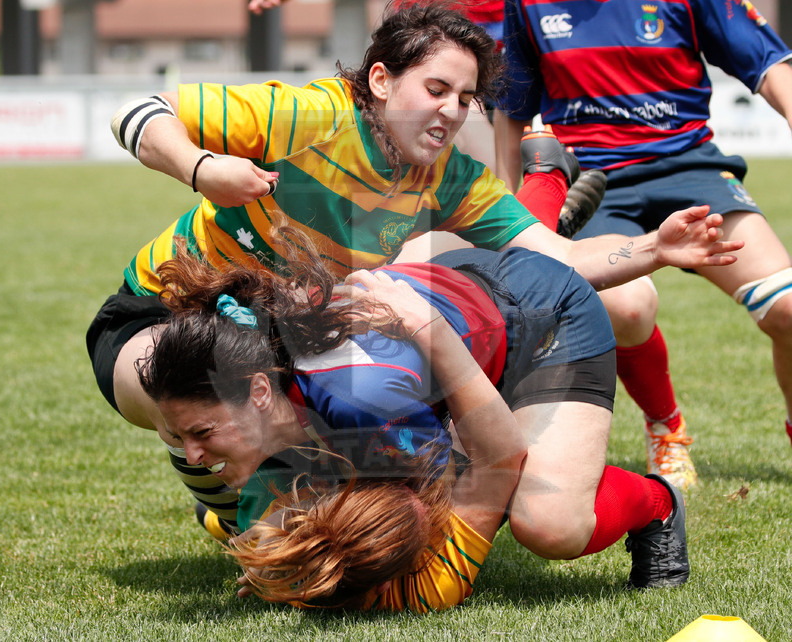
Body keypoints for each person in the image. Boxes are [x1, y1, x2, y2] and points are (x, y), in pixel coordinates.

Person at [88, 4, 740, 532]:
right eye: (435, 89)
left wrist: (657, 248)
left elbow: (561, 260)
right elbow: (136, 112)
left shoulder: (450, 179)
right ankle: (234, 504)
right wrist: (203, 168)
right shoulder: (308, 116)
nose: (452, 110)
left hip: (286, 335)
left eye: (465, 98)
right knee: (187, 382)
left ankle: (251, 509)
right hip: (161, 310)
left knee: (369, 437)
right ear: (380, 81)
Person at [134, 226, 688, 611]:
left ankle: (656, 504)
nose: (192, 456)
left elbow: (491, 462)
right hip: (450, 292)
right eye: (179, 436)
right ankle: (547, 184)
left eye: (201, 433)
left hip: (538, 320)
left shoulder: (364, 401)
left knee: (547, 522)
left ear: (259, 393)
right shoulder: (266, 380)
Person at [494, 0, 792, 491]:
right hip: (592, 181)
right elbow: (514, 109)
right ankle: (666, 426)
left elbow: (767, 63)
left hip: (689, 167)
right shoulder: (527, 4)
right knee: (627, 308)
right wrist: (518, 210)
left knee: (786, 309)